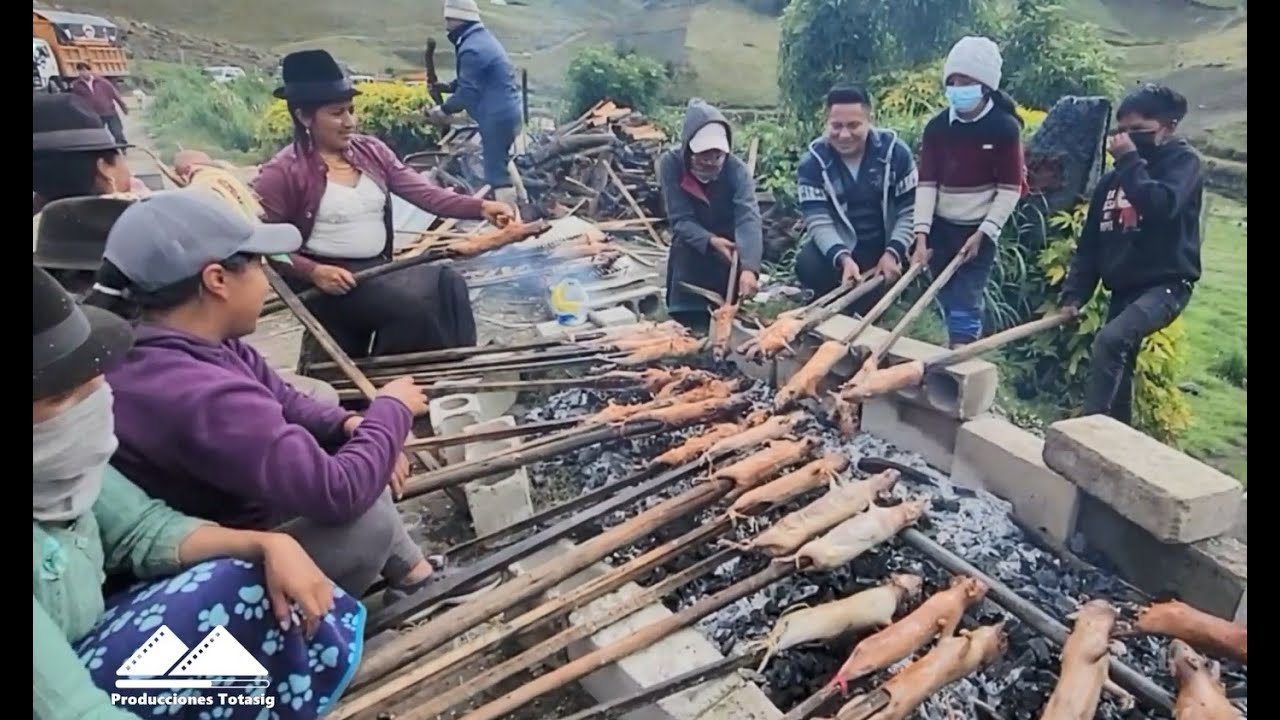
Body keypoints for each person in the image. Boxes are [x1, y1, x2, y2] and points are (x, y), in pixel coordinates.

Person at [33, 264, 364, 720]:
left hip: (87, 649)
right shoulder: (192, 389)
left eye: (94, 380)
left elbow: (143, 528)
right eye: (58, 397)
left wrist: (267, 542)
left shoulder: (62, 474)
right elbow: (74, 711)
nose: (94, 401)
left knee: (240, 577)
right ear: (215, 279)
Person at [86, 189, 438, 604]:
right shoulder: (202, 395)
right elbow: (338, 492)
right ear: (217, 279)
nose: (267, 279)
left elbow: (285, 399)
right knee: (366, 518)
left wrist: (351, 424)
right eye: (257, 264)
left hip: (223, 503)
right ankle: (311, 633)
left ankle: (414, 574)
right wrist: (391, 411)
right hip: (204, 564)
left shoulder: (188, 340)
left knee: (345, 432)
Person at [254, 49, 513, 357]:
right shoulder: (281, 172)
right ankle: (402, 383)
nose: (350, 122)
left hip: (377, 270)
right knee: (412, 308)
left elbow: (425, 194)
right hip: (329, 283)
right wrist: (313, 271)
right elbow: (269, 247)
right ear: (304, 116)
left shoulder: (370, 152)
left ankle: (454, 368)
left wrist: (481, 207)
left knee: (449, 283)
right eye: (337, 113)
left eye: (351, 110)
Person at [1060, 84, 1204, 425]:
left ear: (1168, 126)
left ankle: (1090, 432)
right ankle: (1119, 438)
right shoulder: (1111, 180)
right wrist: (1074, 296)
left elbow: (1160, 207)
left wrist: (1128, 160)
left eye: (1138, 131)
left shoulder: (1183, 164)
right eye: (1122, 131)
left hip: (1166, 285)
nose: (1127, 138)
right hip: (1123, 288)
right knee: (1119, 368)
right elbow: (1091, 244)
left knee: (1110, 341)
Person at [911, 36, 1027, 349]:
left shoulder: (1004, 128)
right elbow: (927, 184)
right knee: (944, 289)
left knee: (968, 292)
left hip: (977, 227)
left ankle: (960, 353)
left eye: (967, 81)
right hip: (941, 225)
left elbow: (1009, 188)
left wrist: (984, 233)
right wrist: (921, 235)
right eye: (953, 80)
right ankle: (950, 344)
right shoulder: (937, 127)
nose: (958, 87)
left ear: (986, 86)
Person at [794, 84, 918, 314]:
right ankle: (838, 295)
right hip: (844, 247)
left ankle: (880, 292)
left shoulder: (896, 154)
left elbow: (909, 211)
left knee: (880, 287)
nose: (844, 135)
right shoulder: (812, 163)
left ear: (869, 120)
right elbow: (818, 220)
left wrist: (893, 251)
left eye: (853, 125)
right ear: (826, 122)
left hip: (885, 244)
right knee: (807, 264)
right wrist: (842, 257)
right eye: (836, 126)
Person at [658, 99, 763, 332]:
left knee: (729, 300)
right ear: (688, 149)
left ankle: (729, 305)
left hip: (730, 241)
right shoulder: (671, 164)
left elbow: (748, 217)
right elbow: (680, 219)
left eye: (717, 156)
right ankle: (686, 311)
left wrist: (749, 267)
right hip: (693, 237)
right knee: (686, 246)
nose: (710, 163)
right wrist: (711, 241)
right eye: (703, 156)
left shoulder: (736, 171)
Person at [426, 0, 524, 207]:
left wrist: (443, 110)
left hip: (497, 117)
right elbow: (470, 81)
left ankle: (510, 221)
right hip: (506, 113)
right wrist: (446, 87)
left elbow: (468, 92)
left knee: (496, 171)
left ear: (459, 18)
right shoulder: (478, 40)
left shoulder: (472, 48)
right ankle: (523, 202)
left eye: (449, 19)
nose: (447, 26)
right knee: (500, 159)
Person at [69, 61, 129, 146]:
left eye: (85, 70)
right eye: (80, 70)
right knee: (97, 134)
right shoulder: (77, 86)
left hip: (109, 111)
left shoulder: (102, 82)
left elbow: (115, 94)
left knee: (117, 132)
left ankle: (123, 148)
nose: (83, 73)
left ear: (90, 71)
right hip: (93, 114)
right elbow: (76, 100)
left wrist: (123, 106)